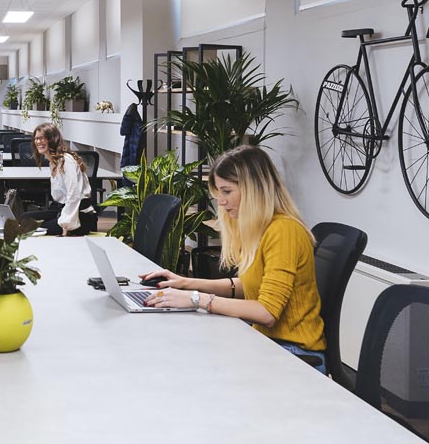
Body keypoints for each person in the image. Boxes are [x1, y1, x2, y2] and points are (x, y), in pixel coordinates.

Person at [139, 145, 327, 374]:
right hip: (268, 343)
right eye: (218, 192)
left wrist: (196, 299)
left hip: (294, 354)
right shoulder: (261, 227)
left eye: (227, 191)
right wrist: (185, 282)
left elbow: (266, 312)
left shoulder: (284, 230)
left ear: (254, 189)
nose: (220, 201)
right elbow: (252, 283)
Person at [22, 123, 97, 236]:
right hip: (63, 209)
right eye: (36, 138)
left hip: (80, 216)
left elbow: (74, 195)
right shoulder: (54, 162)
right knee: (24, 219)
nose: (38, 142)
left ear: (52, 140)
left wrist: (65, 224)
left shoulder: (65, 161)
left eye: (42, 138)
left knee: (31, 228)